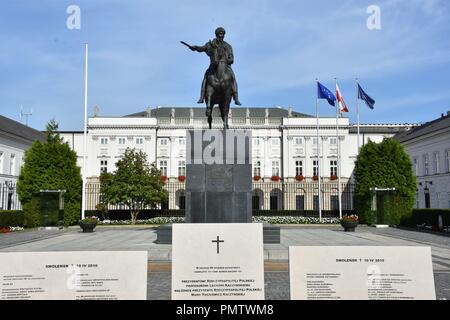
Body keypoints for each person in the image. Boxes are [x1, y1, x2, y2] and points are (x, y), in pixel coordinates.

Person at [190, 27, 241, 105]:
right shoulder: (210, 44)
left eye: (223, 34)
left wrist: (225, 60)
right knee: (206, 77)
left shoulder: (228, 46)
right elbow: (201, 48)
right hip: (213, 65)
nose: (222, 35)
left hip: (225, 66)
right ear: (217, 34)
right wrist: (195, 47)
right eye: (220, 33)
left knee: (233, 77)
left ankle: (236, 97)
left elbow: (232, 59)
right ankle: (202, 96)